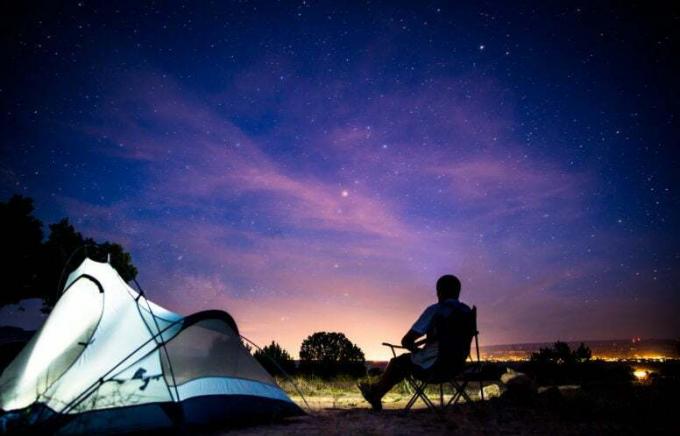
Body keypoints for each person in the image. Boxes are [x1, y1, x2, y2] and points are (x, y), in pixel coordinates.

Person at [358, 274, 472, 411]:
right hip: (457, 366)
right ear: (458, 291)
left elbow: (407, 340)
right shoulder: (467, 312)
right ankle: (375, 390)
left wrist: (417, 349)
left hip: (433, 367)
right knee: (406, 362)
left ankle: (376, 393)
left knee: (398, 362)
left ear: (439, 291)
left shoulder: (436, 311)